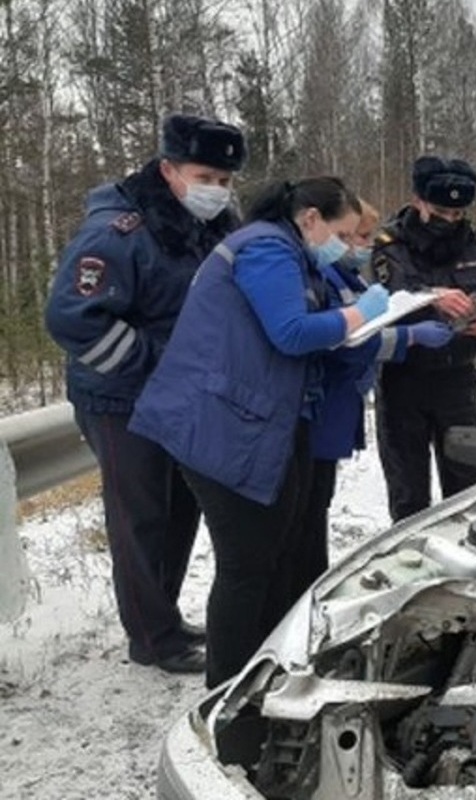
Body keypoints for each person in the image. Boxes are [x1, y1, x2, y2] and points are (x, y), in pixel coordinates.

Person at [128, 177, 388, 688]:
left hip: (250, 419)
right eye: (343, 231)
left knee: (272, 553)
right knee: (246, 564)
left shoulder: (286, 249)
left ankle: (266, 673)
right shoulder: (268, 248)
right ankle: (228, 692)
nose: (346, 243)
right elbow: (290, 332)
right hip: (220, 424)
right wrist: (361, 312)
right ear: (310, 218)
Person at [44, 113, 246, 674]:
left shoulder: (213, 225)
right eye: (206, 176)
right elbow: (72, 318)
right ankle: (151, 638)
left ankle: (164, 615)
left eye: (227, 181)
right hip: (119, 398)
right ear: (169, 169)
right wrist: (156, 365)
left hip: (182, 397)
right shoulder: (119, 231)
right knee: (141, 517)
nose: (217, 190)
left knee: (182, 508)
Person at [295, 202, 454, 591]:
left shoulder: (347, 274)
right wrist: (409, 336)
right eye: (354, 237)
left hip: (339, 405)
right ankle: (303, 593)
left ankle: (310, 584)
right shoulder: (323, 273)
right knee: (305, 515)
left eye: (364, 236)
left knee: (317, 506)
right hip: (322, 405)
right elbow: (346, 342)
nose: (363, 246)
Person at [372, 156, 476, 522]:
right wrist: (431, 296)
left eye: (457, 213)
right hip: (402, 382)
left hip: (458, 383)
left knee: (466, 492)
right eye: (440, 211)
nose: (449, 220)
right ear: (418, 201)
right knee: (408, 497)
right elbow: (379, 304)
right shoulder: (389, 245)